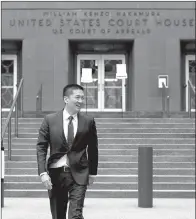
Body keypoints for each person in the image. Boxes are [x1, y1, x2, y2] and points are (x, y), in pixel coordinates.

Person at [36, 84, 98, 219]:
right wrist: (42, 172)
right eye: (77, 97)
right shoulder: (50, 120)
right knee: (58, 215)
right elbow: (41, 146)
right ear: (66, 99)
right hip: (56, 174)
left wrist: (93, 172)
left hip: (79, 173)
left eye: (82, 98)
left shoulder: (88, 121)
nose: (81, 101)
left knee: (75, 214)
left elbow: (93, 148)